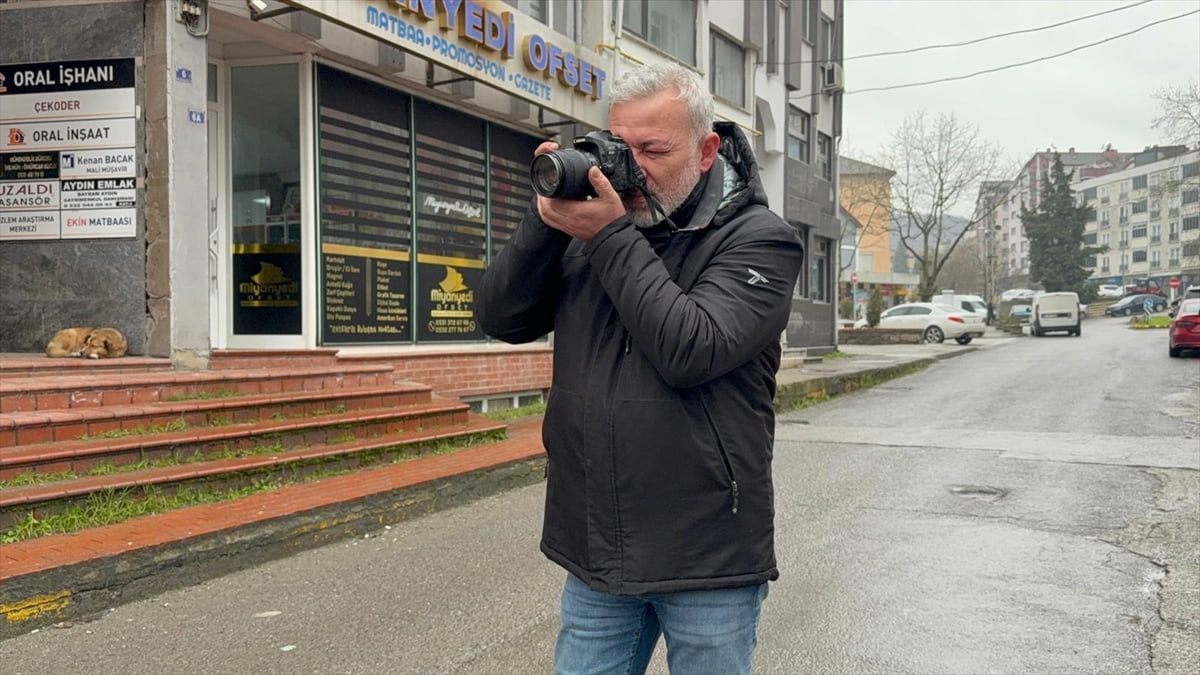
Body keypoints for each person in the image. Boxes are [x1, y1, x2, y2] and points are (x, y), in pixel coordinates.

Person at [479, 62, 803, 675]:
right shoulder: (595, 231)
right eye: (619, 147)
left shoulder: (760, 240)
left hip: (708, 552)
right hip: (599, 544)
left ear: (707, 151)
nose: (631, 168)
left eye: (653, 150)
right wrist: (545, 222)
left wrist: (608, 237)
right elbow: (503, 318)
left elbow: (693, 350)